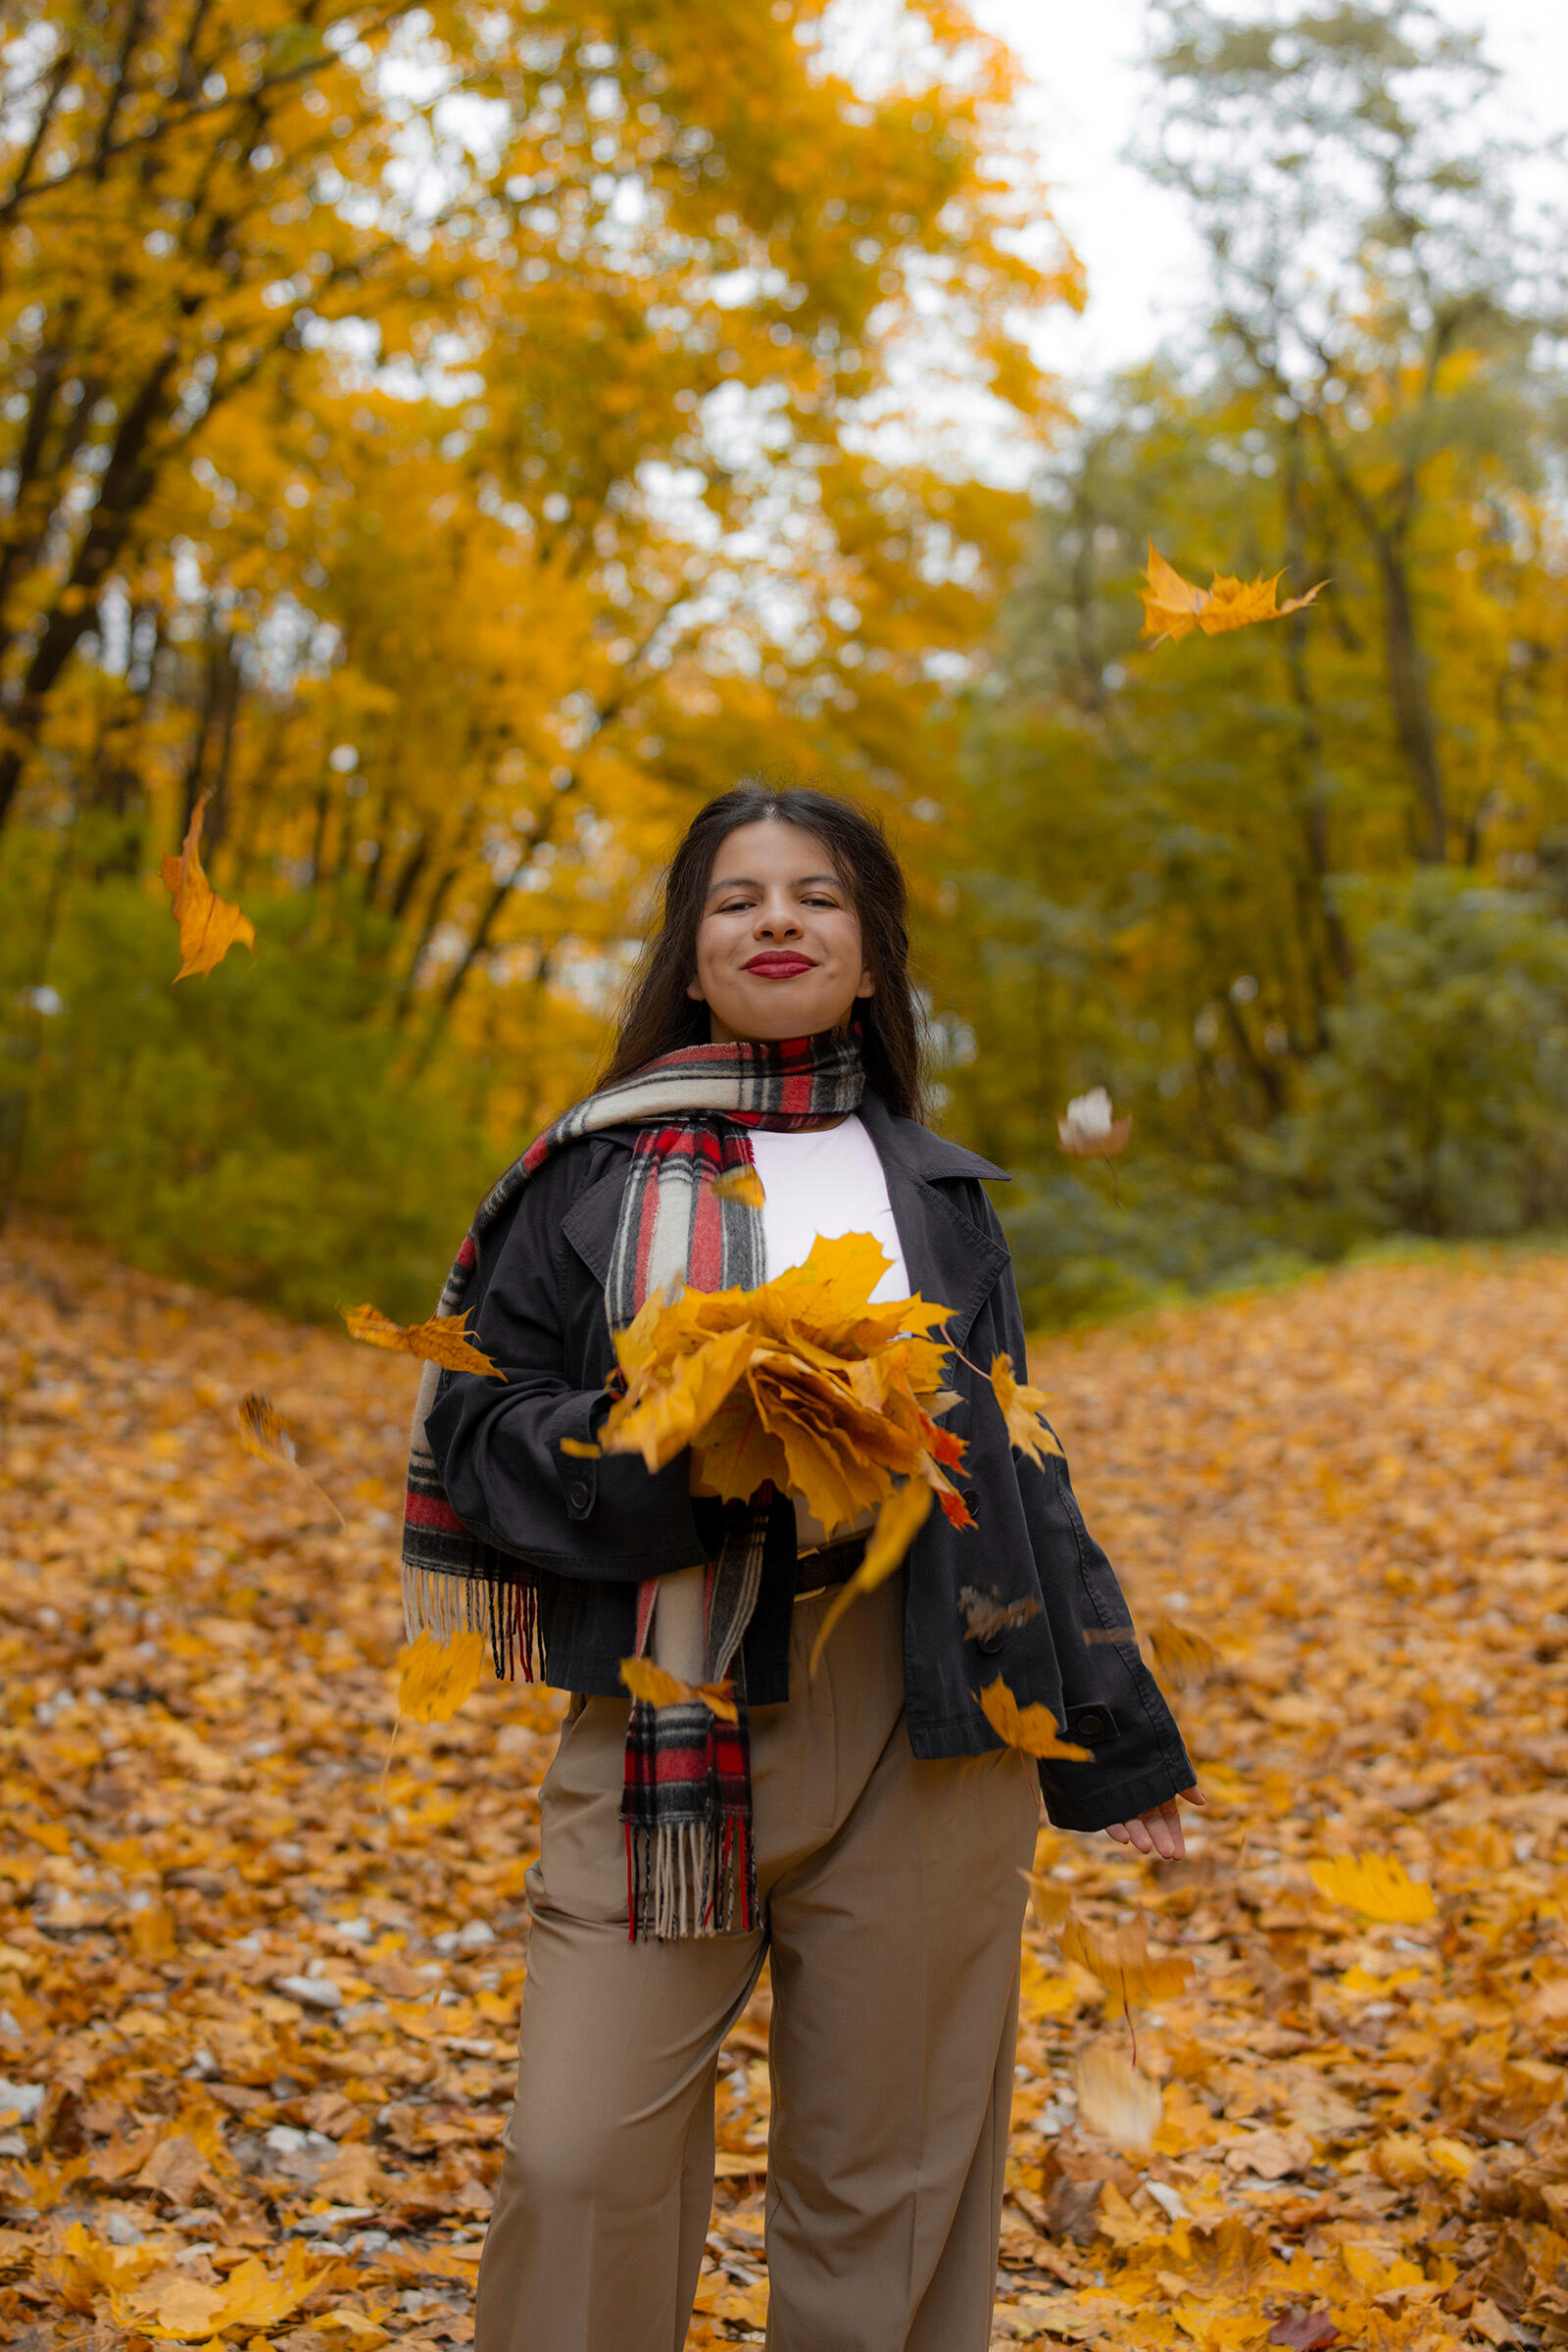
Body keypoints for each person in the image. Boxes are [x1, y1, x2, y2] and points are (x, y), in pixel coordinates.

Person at [405, 783, 1201, 2352]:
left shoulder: (944, 1196)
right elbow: (472, 1433)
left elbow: (1023, 1474)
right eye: (739, 899)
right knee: (578, 2161)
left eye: (819, 897)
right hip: (668, 1705)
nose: (779, 919)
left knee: (888, 2187)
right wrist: (671, 1447)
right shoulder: (584, 1177)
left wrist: (1118, 1738)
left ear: (871, 952)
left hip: (931, 1718)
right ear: (691, 959)